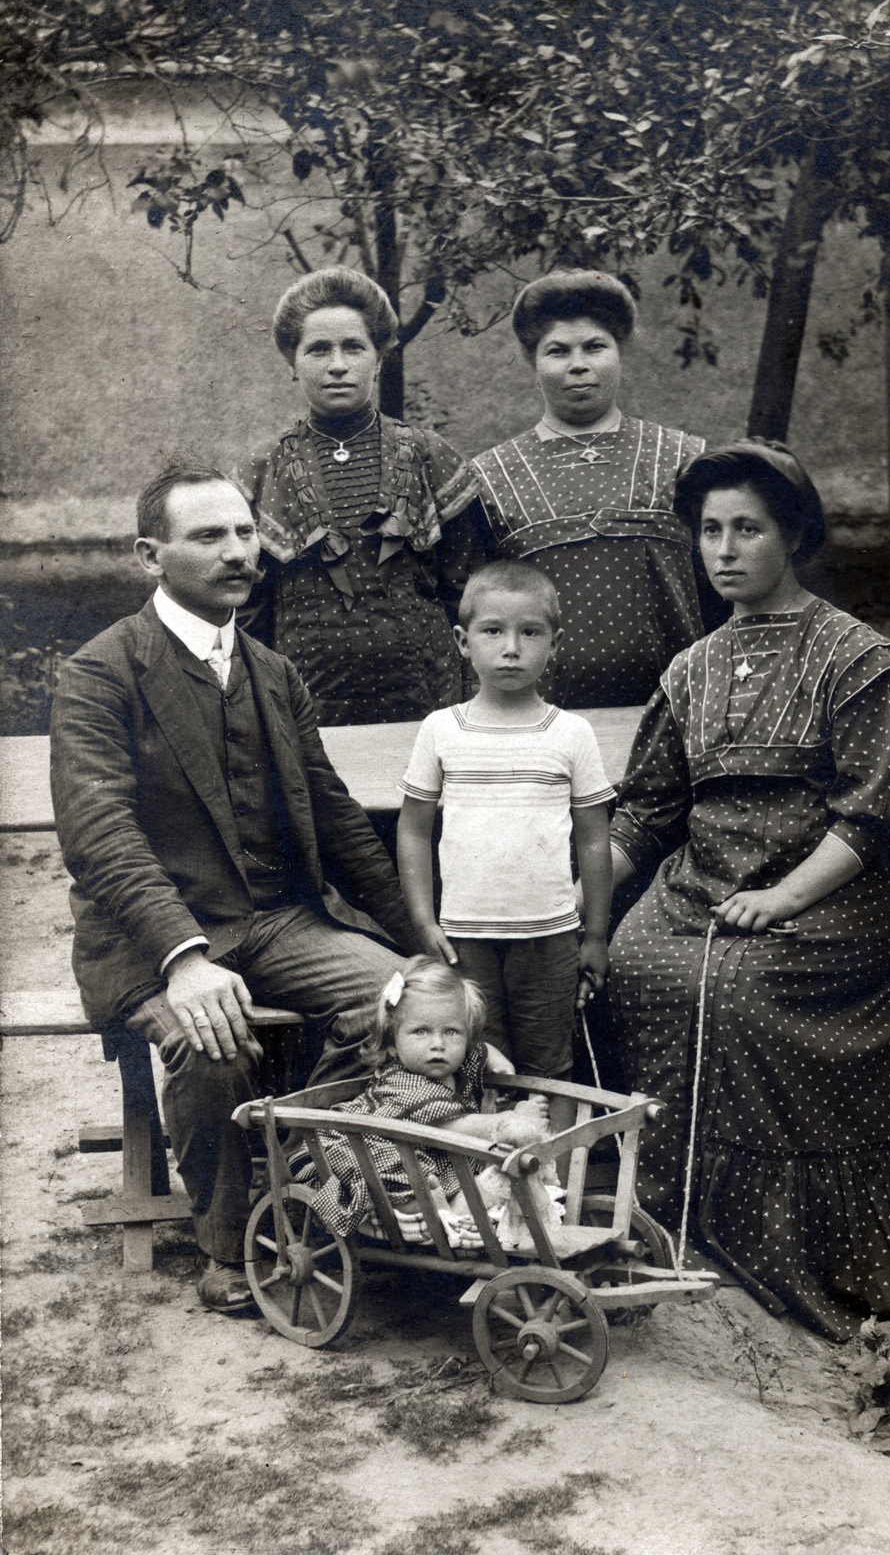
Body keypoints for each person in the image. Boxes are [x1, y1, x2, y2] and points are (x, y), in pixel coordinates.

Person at [607, 438, 890, 1340]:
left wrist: (782, 900)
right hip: (704, 887)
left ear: (794, 536)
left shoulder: (858, 660)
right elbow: (648, 811)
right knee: (629, 963)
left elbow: (874, 816)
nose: (724, 550)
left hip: (836, 902)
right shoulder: (690, 669)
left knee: (733, 989)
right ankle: (674, 1210)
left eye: (748, 529)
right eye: (708, 531)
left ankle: (792, 1240)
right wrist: (577, 893)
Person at [50, 464, 420, 1313]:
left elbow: (332, 819)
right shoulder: (100, 675)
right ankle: (229, 1244)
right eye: (209, 536)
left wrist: (420, 940)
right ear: (152, 555)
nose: (238, 552)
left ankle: (314, 1193)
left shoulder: (272, 672)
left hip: (277, 921)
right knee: (214, 1041)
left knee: (397, 998)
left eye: (247, 533)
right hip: (153, 943)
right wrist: (183, 959)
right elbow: (101, 836)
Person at [397, 562, 614, 1093]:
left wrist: (596, 935)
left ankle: (552, 1176)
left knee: (550, 1067)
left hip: (549, 935)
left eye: (530, 632)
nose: (511, 647)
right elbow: (414, 831)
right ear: (463, 641)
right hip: (465, 937)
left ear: (554, 643)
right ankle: (482, 1174)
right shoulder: (442, 730)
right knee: (476, 1063)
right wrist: (425, 920)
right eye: (493, 631)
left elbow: (593, 838)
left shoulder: (570, 733)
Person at [461, 270, 720, 709]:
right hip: (543, 719)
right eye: (558, 351)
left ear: (620, 354)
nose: (578, 364)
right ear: (533, 363)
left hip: (679, 709)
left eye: (595, 347)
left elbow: (720, 592)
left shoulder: (684, 459)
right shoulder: (489, 476)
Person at [238, 265, 484, 725]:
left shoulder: (431, 456)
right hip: (305, 706)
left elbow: (471, 593)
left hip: (429, 699)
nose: (337, 365)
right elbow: (248, 615)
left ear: (379, 356)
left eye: (354, 347)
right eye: (318, 349)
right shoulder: (260, 472)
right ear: (293, 363)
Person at [271, 957, 551, 1241]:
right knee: (395, 1170)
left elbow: (474, 1051)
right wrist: (512, 1119)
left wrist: (490, 1053)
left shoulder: (452, 1063)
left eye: (451, 1031)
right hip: (370, 1151)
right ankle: (444, 1213)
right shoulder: (402, 1083)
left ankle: (454, 1204)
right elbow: (455, 1127)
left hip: (426, 1155)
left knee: (433, 1168)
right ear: (392, 1044)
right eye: (421, 1031)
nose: (438, 1043)